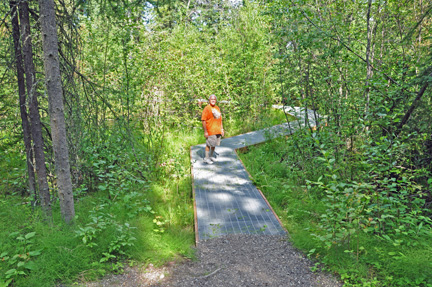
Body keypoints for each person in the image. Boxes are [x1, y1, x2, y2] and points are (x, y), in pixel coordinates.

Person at [201, 94, 224, 164]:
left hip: (217, 130)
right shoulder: (207, 108)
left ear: (216, 100)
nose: (213, 100)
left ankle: (211, 156)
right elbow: (203, 120)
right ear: (209, 100)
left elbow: (220, 119)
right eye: (211, 99)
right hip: (210, 130)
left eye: (214, 99)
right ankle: (206, 158)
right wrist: (205, 131)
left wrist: (222, 129)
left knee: (214, 144)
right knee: (209, 144)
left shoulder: (217, 108)